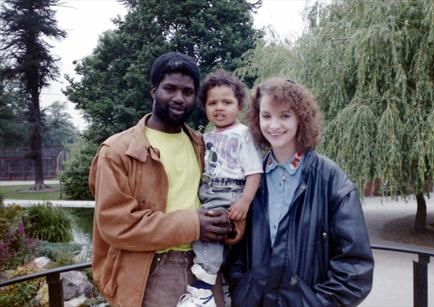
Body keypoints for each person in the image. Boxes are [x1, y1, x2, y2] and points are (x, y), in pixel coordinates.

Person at [89, 52, 235, 307]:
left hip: (205, 266)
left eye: (188, 91)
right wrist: (192, 224)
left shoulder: (204, 145)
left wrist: (230, 225)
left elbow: (230, 191)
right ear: (154, 91)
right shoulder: (117, 151)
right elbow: (116, 224)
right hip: (152, 270)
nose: (179, 98)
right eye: (170, 88)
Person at [225, 77, 374, 306]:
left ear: (300, 119)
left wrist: (314, 303)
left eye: (284, 116)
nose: (274, 126)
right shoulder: (250, 178)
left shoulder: (330, 179)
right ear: (257, 119)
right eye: (266, 116)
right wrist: (242, 289)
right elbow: (235, 248)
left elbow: (356, 267)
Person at [177, 70, 263, 307]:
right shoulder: (207, 136)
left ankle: (202, 288)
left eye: (227, 102)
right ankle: (218, 292)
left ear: (239, 105)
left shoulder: (243, 134)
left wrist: (244, 201)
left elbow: (254, 171)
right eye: (212, 103)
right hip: (209, 191)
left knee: (208, 234)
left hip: (230, 192)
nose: (219, 107)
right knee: (209, 236)